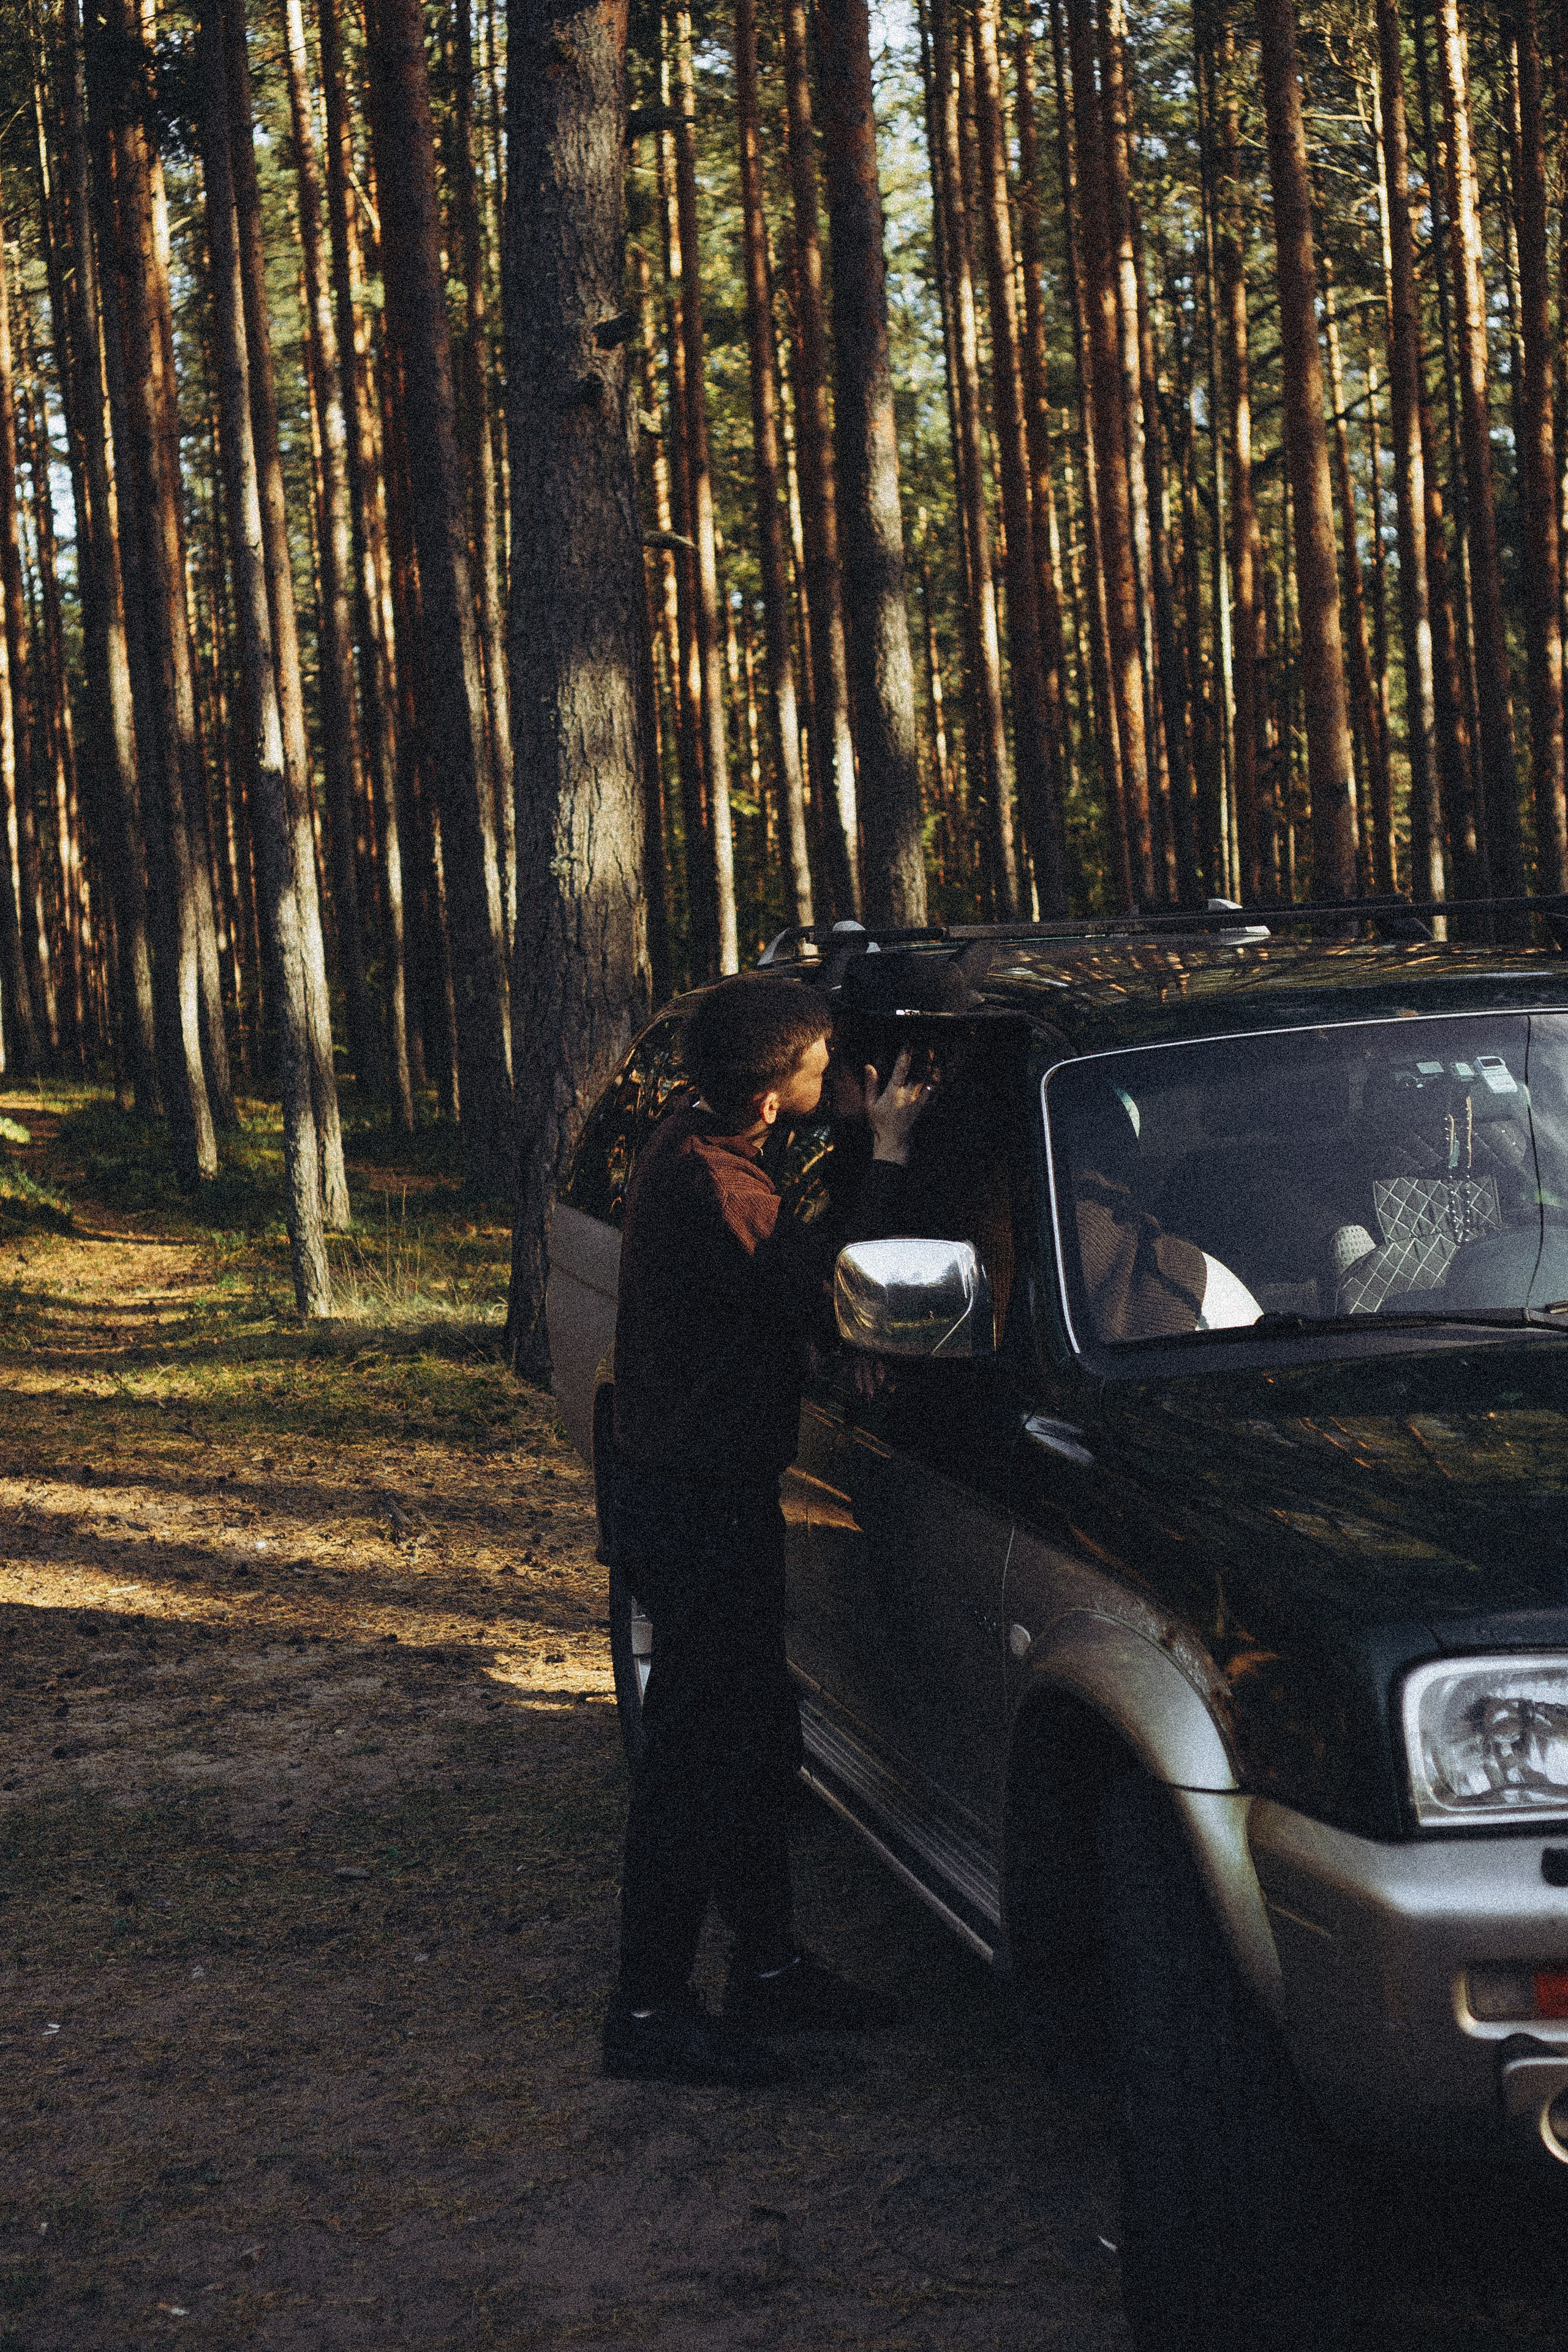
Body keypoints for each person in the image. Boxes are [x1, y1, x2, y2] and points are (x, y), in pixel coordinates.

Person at [603, 974, 930, 2086]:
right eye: (820, 1059)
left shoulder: (705, 1143)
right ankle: (645, 2012)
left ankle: (771, 1968)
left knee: (750, 1733)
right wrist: (887, 1152)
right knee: (697, 1758)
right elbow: (835, 1290)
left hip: (690, 1486)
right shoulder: (715, 1184)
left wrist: (842, 1129)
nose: (832, 1068)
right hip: (693, 1503)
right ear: (773, 1086)